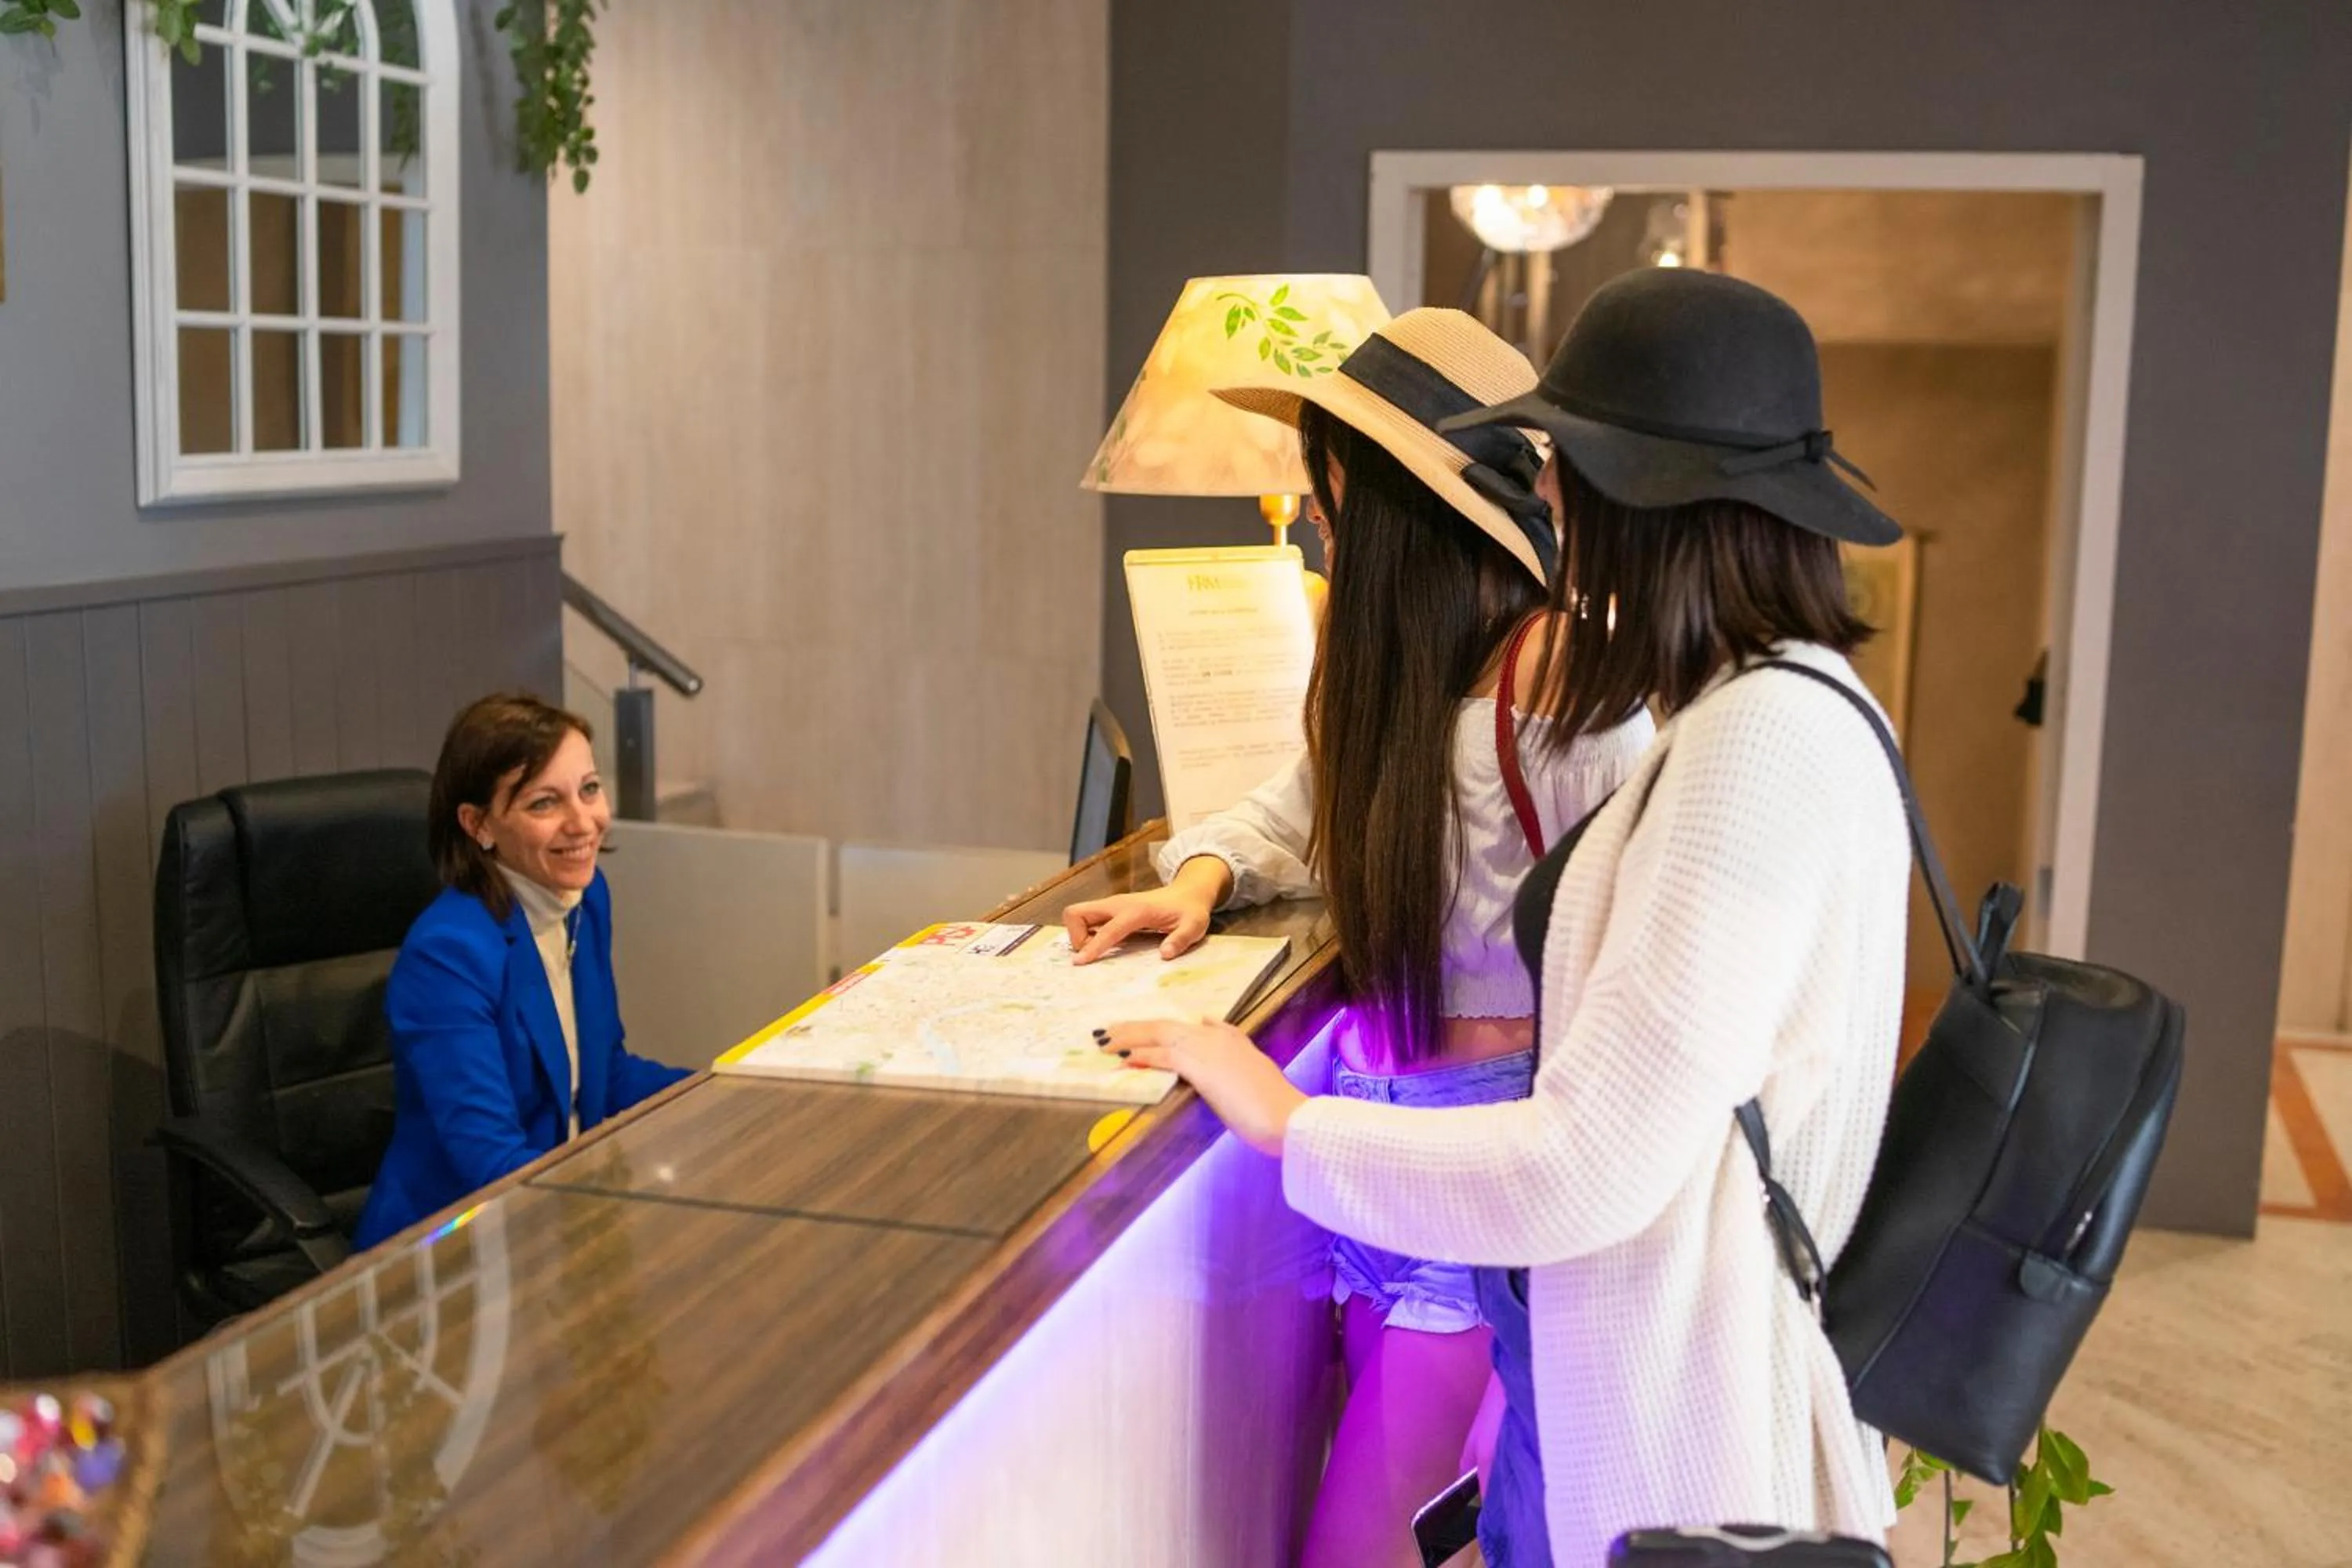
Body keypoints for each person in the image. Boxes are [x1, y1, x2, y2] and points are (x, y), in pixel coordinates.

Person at [1101, 269, 1911, 1566]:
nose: (1546, 502)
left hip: (1664, 1400)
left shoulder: (1750, 749)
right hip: (1630, 1362)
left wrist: (1284, 1115)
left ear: (1634, 495)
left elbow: (1589, 1162)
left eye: (1567, 468)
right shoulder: (1786, 714)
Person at [1064, 308, 1655, 1568]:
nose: (1316, 508)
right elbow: (1306, 794)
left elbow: (1636, 968)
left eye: (1330, 480)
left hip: (1480, 1168)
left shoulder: (1561, 675)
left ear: (1390, 495)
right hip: (1382, 1142)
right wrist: (1208, 874)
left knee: (1372, 1544)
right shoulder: (1392, 659)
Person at [354, 693, 690, 1248]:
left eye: (589, 789)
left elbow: (605, 1075)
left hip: (558, 1216)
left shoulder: (584, 897)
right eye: (544, 804)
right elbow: (492, 1165)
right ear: (479, 824)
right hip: (453, 1251)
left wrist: (727, 1091)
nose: (585, 823)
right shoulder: (447, 956)